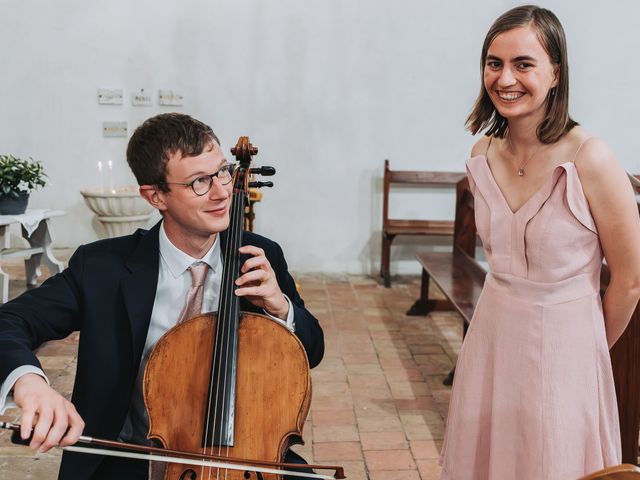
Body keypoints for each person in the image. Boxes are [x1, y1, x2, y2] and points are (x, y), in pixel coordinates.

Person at [0, 112, 324, 480]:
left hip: (248, 459)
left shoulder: (259, 255)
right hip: (131, 461)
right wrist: (30, 385)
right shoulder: (102, 267)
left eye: (222, 172)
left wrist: (280, 307)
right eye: (199, 182)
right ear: (156, 196)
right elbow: (9, 321)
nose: (222, 192)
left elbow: (311, 351)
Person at [439, 5, 640, 480]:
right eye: (494, 63)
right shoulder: (482, 152)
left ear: (556, 72)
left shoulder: (591, 157)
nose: (505, 78)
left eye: (523, 64)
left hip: (565, 345)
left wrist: (584, 349)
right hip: (491, 335)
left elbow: (629, 281)